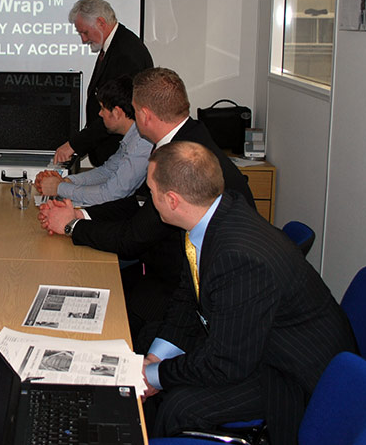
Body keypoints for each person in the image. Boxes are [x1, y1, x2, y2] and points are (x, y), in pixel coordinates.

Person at [140, 141, 356, 444]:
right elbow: (188, 298)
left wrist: (154, 375)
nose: (150, 198)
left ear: (173, 200)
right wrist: (154, 359)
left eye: (151, 191)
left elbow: (225, 363)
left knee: (180, 407)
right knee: (150, 337)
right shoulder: (211, 217)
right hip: (255, 342)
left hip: (291, 374)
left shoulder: (239, 258)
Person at [39, 68, 255, 338]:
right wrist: (81, 216)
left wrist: (71, 226)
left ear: (144, 115)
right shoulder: (186, 136)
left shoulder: (180, 161)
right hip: (175, 266)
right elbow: (137, 206)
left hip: (190, 289)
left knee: (99, 308)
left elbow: (133, 237)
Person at [54, 0, 153, 167]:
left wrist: (74, 145)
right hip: (111, 153)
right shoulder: (116, 44)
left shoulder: (125, 53)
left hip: (119, 155)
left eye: (85, 32)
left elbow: (116, 111)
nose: (83, 40)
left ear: (100, 22)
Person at [35, 75, 151, 206]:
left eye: (102, 109)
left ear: (117, 112)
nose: (100, 114)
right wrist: (67, 181)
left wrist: (59, 188)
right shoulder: (132, 137)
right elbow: (107, 172)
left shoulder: (141, 143)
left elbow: (111, 194)